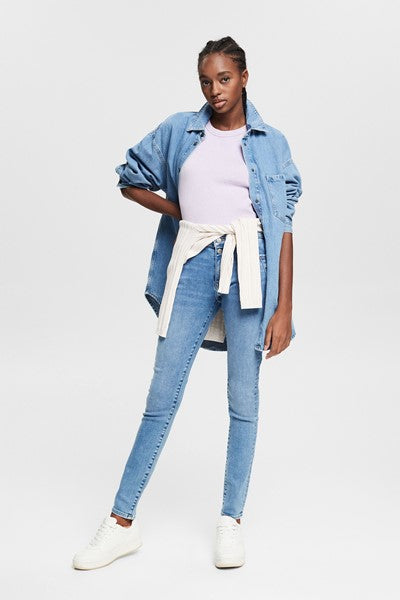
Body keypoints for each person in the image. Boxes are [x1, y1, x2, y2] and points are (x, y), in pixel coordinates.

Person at [72, 36, 302, 571]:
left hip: (250, 266)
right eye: (206, 80)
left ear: (244, 77)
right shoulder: (180, 129)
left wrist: (285, 308)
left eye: (224, 78)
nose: (215, 90)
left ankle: (231, 520)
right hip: (194, 260)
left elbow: (284, 227)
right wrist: (182, 212)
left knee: (243, 398)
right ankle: (121, 523)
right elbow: (129, 179)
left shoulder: (271, 143)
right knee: (162, 394)